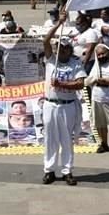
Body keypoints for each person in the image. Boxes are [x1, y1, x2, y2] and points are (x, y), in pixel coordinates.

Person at [41, 12, 87, 186]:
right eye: (59, 47)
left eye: (65, 48)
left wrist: (63, 84)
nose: (61, 51)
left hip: (67, 105)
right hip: (50, 104)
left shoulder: (75, 64)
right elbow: (45, 41)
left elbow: (80, 84)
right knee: (50, 138)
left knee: (66, 138)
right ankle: (49, 170)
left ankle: (67, 170)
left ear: (69, 50)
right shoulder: (51, 60)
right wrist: (59, 24)